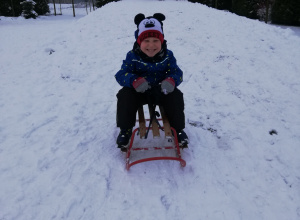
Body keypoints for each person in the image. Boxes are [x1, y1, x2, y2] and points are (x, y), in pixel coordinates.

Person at [115, 13, 188, 151]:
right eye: (146, 41)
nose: (151, 45)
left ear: (162, 41)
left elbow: (177, 72)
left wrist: (171, 80)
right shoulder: (132, 56)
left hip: (161, 90)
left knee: (176, 96)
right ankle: (125, 129)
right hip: (139, 91)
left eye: (155, 41)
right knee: (124, 95)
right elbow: (121, 74)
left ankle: (178, 129)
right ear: (139, 41)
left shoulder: (167, 55)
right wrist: (134, 81)